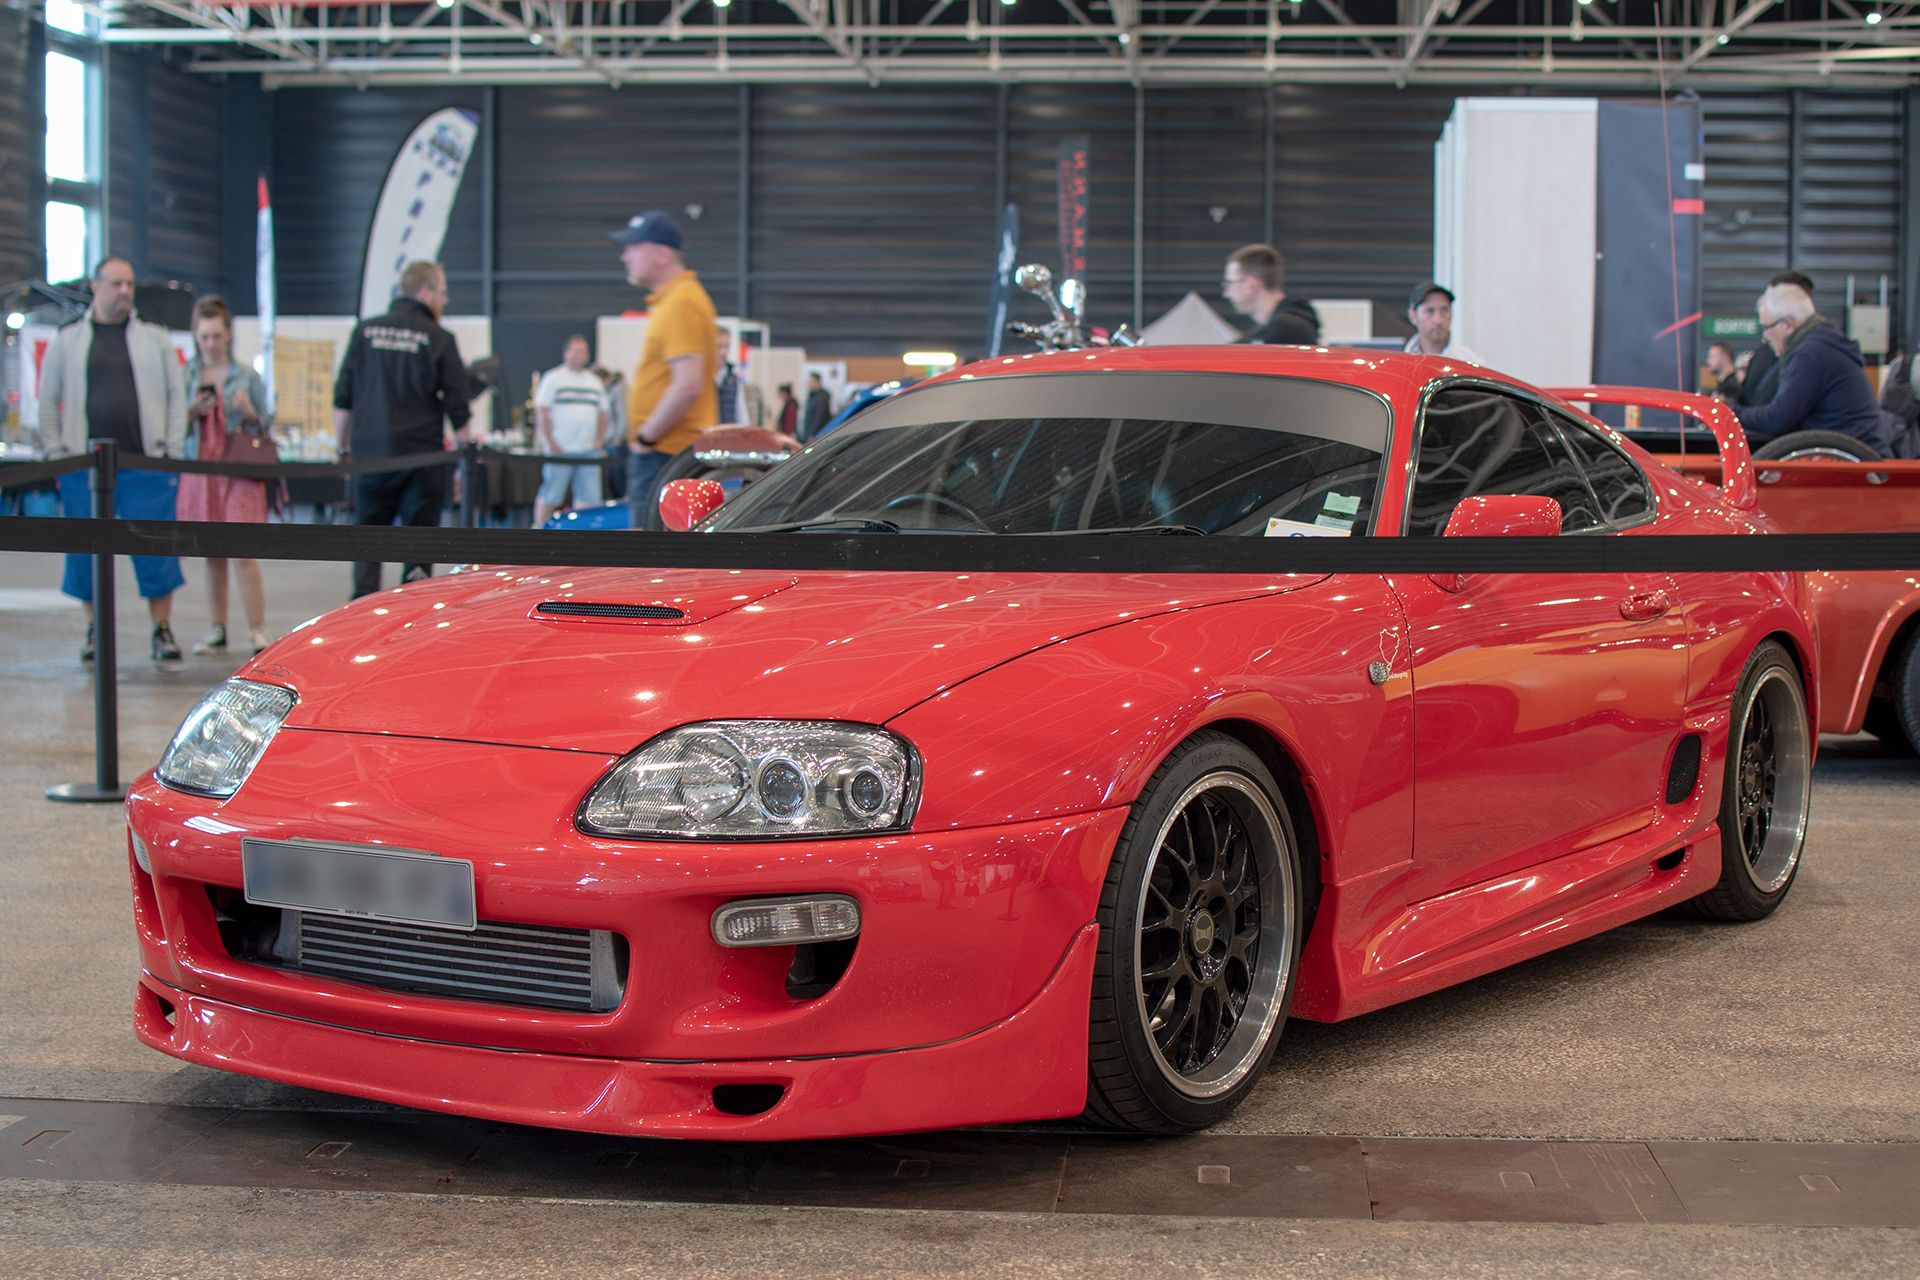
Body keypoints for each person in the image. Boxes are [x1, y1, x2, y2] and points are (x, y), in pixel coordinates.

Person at [34, 256, 187, 661]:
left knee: (157, 550)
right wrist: (56, 453)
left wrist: (171, 450)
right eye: (117, 283)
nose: (125, 291)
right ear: (96, 286)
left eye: (130, 284)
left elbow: (177, 398)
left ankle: (163, 630)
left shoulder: (155, 339)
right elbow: (47, 401)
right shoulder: (66, 340)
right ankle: (93, 630)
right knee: (85, 554)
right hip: (82, 468)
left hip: (148, 466)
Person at [333, 260, 472, 599]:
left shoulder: (365, 331)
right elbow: (458, 408)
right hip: (421, 460)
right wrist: (464, 465)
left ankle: (360, 613)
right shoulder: (439, 338)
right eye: (442, 293)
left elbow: (343, 397)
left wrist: (342, 451)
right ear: (425, 292)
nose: (445, 301)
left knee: (366, 543)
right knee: (418, 548)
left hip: (370, 458)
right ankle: (410, 621)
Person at [179, 295, 274, 655]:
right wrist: (190, 412)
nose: (210, 344)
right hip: (201, 472)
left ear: (228, 335)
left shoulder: (247, 375)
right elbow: (172, 424)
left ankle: (257, 628)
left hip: (238, 472)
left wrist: (250, 413)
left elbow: (266, 424)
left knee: (242, 551)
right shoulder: (186, 374)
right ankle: (217, 628)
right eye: (204, 337)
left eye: (216, 336)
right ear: (195, 335)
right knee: (212, 553)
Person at [609, 211, 718, 528]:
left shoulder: (681, 301)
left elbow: (687, 385)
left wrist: (646, 437)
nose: (625, 256)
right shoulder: (674, 300)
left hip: (663, 454)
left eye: (633, 248)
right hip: (664, 452)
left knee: (650, 558)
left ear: (661, 253)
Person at [1732, 281, 1892, 457]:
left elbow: (1778, 418)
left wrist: (1732, 412)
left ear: (1787, 324)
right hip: (1857, 457)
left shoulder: (1810, 354)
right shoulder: (1823, 343)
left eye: (1766, 328)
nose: (1765, 338)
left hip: (1853, 463)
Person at [533, 334, 610, 526]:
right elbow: (542, 410)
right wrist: (550, 441)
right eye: (577, 350)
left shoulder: (594, 382)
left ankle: (582, 537)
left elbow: (603, 412)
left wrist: (599, 440)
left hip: (588, 451)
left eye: (584, 350)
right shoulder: (553, 378)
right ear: (566, 353)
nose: (581, 354)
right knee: (552, 494)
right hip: (560, 450)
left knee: (589, 499)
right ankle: (538, 532)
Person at [1737, 270, 1816, 407]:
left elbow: (1778, 417)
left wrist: (1737, 412)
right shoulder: (1763, 354)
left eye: (1771, 299)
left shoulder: (1808, 356)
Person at [1221, 244, 1320, 345]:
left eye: (1229, 283)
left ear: (1250, 285)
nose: (1226, 294)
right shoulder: (1270, 329)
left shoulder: (1285, 330)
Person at [1404, 282, 1484, 363]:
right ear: (1413, 316)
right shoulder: (1402, 363)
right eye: (1429, 311)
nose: (1438, 320)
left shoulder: (1471, 363)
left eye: (1444, 310)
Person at [801, 373, 833, 442]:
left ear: (816, 382)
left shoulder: (821, 398)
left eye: (810, 382)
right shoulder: (813, 396)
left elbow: (819, 417)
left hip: (817, 435)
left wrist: (812, 433)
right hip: (811, 434)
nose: (808, 384)